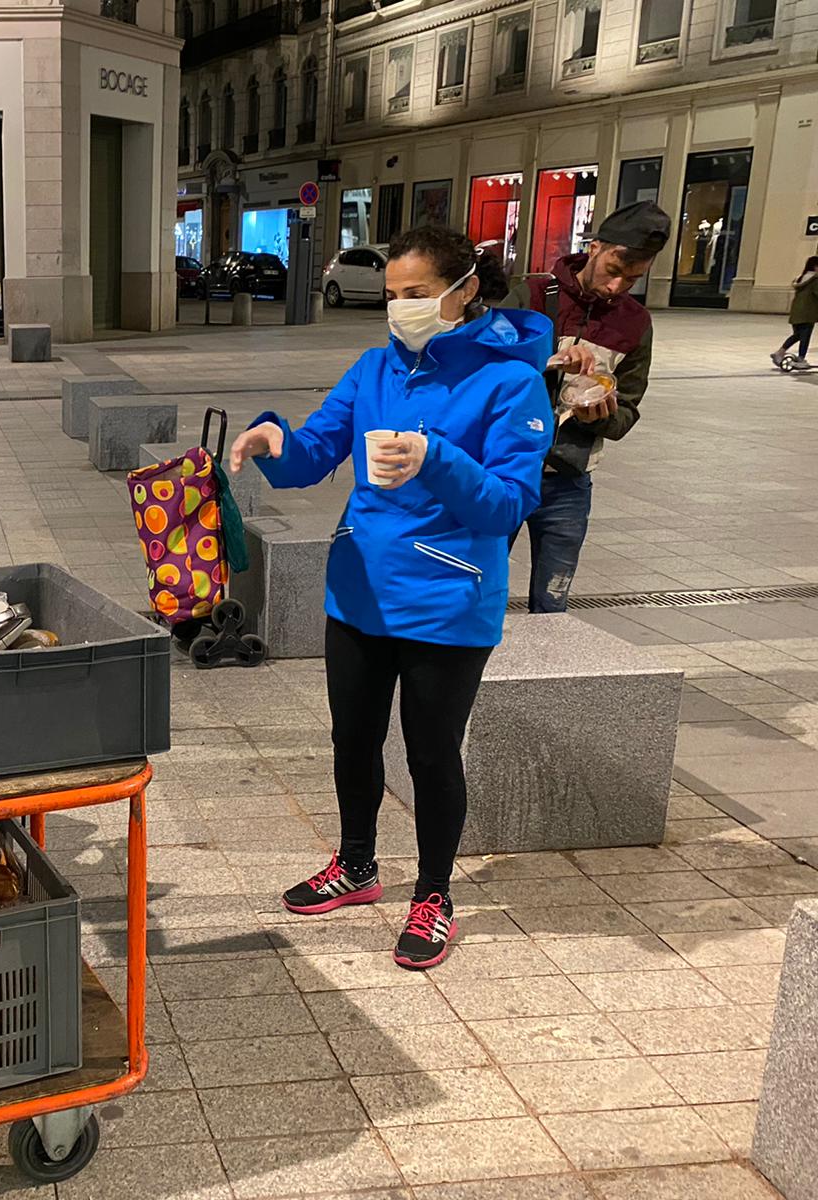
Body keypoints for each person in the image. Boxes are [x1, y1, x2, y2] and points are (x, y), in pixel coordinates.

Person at [229, 225, 553, 970]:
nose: (400, 308)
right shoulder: (375, 370)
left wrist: (436, 459)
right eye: (393, 295)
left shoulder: (510, 381)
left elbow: (508, 505)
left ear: (463, 291)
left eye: (416, 295)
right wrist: (276, 440)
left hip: (448, 603)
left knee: (432, 753)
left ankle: (435, 894)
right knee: (353, 740)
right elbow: (315, 452)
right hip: (360, 596)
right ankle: (357, 864)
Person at [500, 201, 671, 612]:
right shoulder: (533, 296)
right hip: (501, 469)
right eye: (615, 270)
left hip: (568, 481)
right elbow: (481, 370)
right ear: (595, 248)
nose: (617, 287)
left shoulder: (635, 324)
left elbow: (627, 409)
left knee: (553, 601)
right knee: (475, 586)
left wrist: (604, 416)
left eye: (632, 279)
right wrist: (548, 360)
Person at [772, 255, 817, 369]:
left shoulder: (801, 278)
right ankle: (801, 359)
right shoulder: (815, 279)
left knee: (798, 335)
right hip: (808, 312)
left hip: (797, 311)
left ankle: (780, 353)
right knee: (805, 336)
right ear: (816, 267)